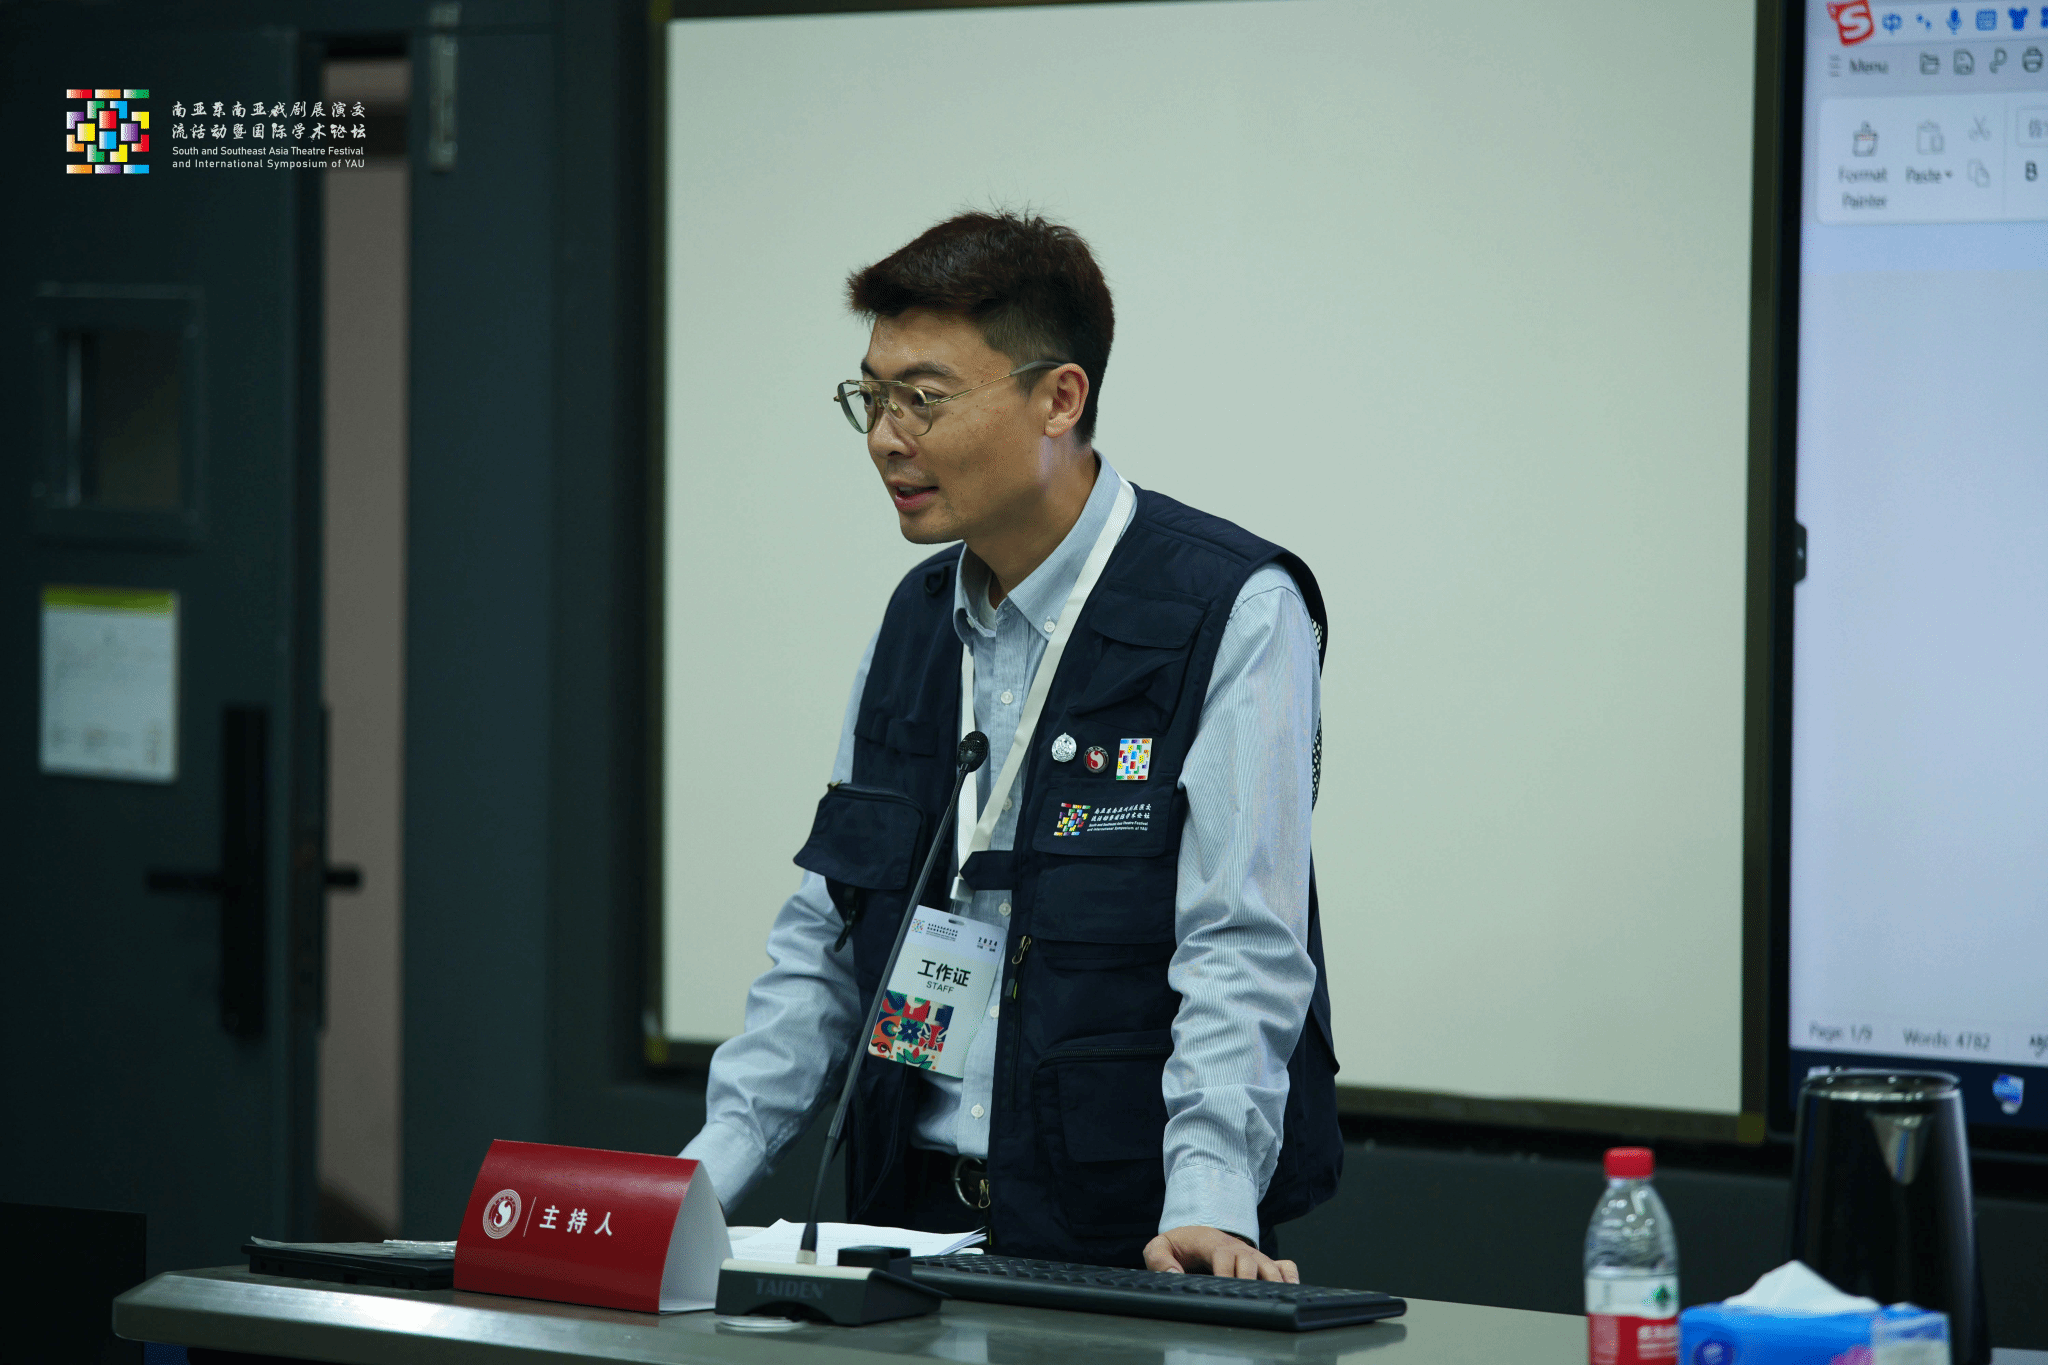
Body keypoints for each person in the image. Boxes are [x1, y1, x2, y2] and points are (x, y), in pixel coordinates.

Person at [681, 211, 1340, 1281]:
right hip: (900, 1231)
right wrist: (695, 1184)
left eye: (923, 398)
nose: (885, 437)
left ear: (1059, 398)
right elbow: (825, 935)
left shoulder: (1231, 609)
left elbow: (1242, 944)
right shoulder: (914, 621)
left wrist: (1210, 1200)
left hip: (1130, 1239)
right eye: (871, 397)